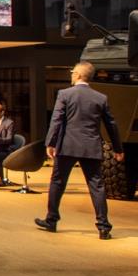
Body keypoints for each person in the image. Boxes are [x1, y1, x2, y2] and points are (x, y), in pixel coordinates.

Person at [37, 61, 123, 239]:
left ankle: (51, 220)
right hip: (91, 147)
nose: (71, 74)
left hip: (67, 146)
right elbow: (111, 124)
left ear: (77, 75)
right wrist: (118, 148)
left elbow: (56, 120)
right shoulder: (100, 98)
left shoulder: (65, 94)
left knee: (57, 182)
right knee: (97, 186)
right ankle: (103, 227)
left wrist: (50, 143)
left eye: (72, 72)